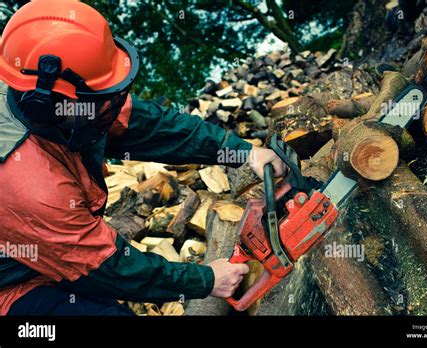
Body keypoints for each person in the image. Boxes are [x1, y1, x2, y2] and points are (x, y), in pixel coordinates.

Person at [0, 0, 285, 315]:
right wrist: (206, 279)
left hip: (49, 254)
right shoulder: (27, 184)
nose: (112, 106)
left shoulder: (74, 105)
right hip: (13, 285)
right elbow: (104, 265)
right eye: (101, 100)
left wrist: (244, 152)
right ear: (49, 104)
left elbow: (154, 127)